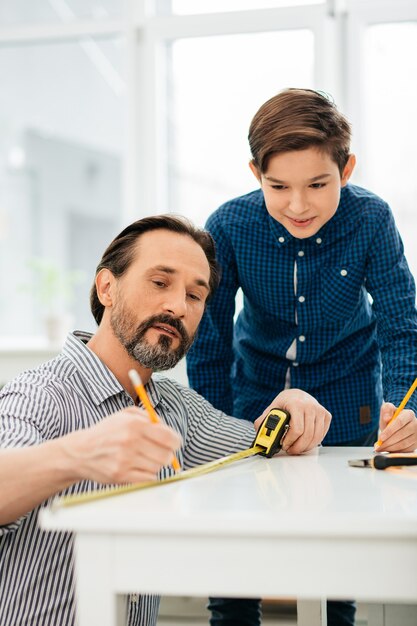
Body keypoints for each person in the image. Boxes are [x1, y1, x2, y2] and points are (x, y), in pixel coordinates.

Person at [0, 214, 331, 626]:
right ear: (107, 287)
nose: (178, 306)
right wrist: (78, 455)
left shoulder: (176, 408)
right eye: (160, 283)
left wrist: (291, 404)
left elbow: (260, 447)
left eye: (196, 296)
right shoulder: (39, 393)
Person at [186, 88, 417, 626]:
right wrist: (214, 430)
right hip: (252, 402)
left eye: (318, 184)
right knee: (237, 558)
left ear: (347, 169)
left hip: (351, 402)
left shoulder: (371, 220)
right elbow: (211, 341)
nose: (298, 204)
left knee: (337, 565)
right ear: (254, 173)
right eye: (278, 186)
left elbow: (402, 326)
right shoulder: (229, 226)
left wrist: (406, 407)